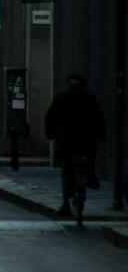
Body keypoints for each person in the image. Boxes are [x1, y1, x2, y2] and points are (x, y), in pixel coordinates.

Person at [44, 73, 106, 218]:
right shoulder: (89, 99)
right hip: (86, 141)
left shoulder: (61, 98)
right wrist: (100, 135)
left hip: (66, 142)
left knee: (66, 170)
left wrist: (51, 134)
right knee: (89, 162)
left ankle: (66, 203)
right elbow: (99, 118)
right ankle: (91, 177)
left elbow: (51, 118)